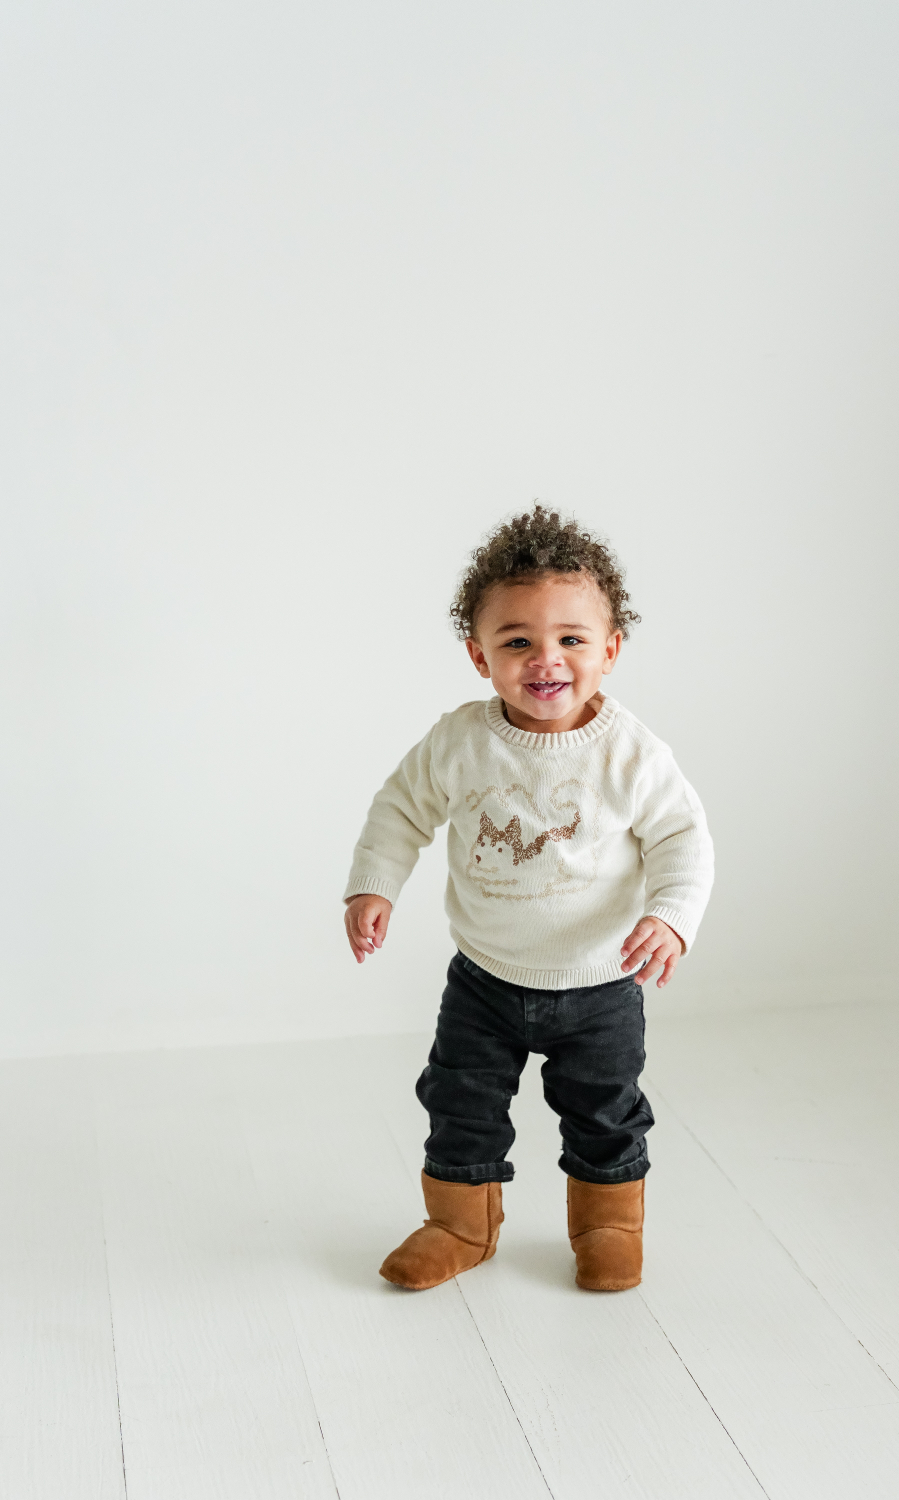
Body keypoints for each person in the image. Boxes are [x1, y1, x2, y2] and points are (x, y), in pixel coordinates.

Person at [343, 506, 714, 1291]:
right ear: (480, 656)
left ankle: (609, 1224)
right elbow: (400, 809)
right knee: (459, 1102)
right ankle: (459, 1224)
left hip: (600, 984)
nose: (546, 659)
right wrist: (375, 884)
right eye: (517, 642)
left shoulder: (631, 753)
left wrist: (671, 916)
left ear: (610, 649)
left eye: (572, 639)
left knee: (605, 1111)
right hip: (484, 980)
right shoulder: (461, 741)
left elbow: (683, 837)